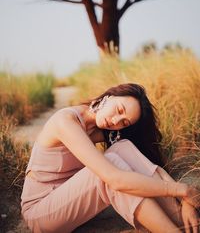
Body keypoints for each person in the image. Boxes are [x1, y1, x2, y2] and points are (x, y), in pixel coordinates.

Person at [21, 83, 200, 233]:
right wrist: (182, 190)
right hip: (41, 211)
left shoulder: (101, 131)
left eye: (124, 122)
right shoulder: (65, 121)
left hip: (70, 200)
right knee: (111, 173)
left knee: (123, 148)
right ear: (109, 96)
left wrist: (186, 200)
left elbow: (150, 166)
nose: (115, 121)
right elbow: (115, 180)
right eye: (119, 110)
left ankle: (189, 223)